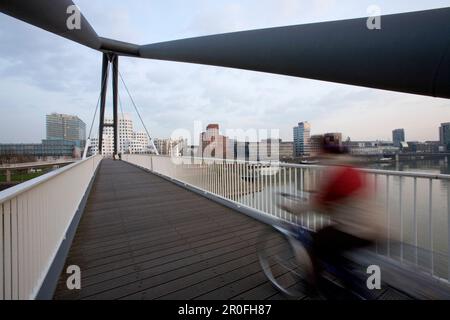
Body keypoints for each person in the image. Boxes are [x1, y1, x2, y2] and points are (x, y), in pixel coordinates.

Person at [280, 136, 384, 288]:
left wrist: (290, 207)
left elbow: (317, 203)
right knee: (333, 247)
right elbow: (333, 197)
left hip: (357, 229)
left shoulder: (335, 170)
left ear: (322, 150)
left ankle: (313, 284)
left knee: (316, 240)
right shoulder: (351, 166)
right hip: (375, 226)